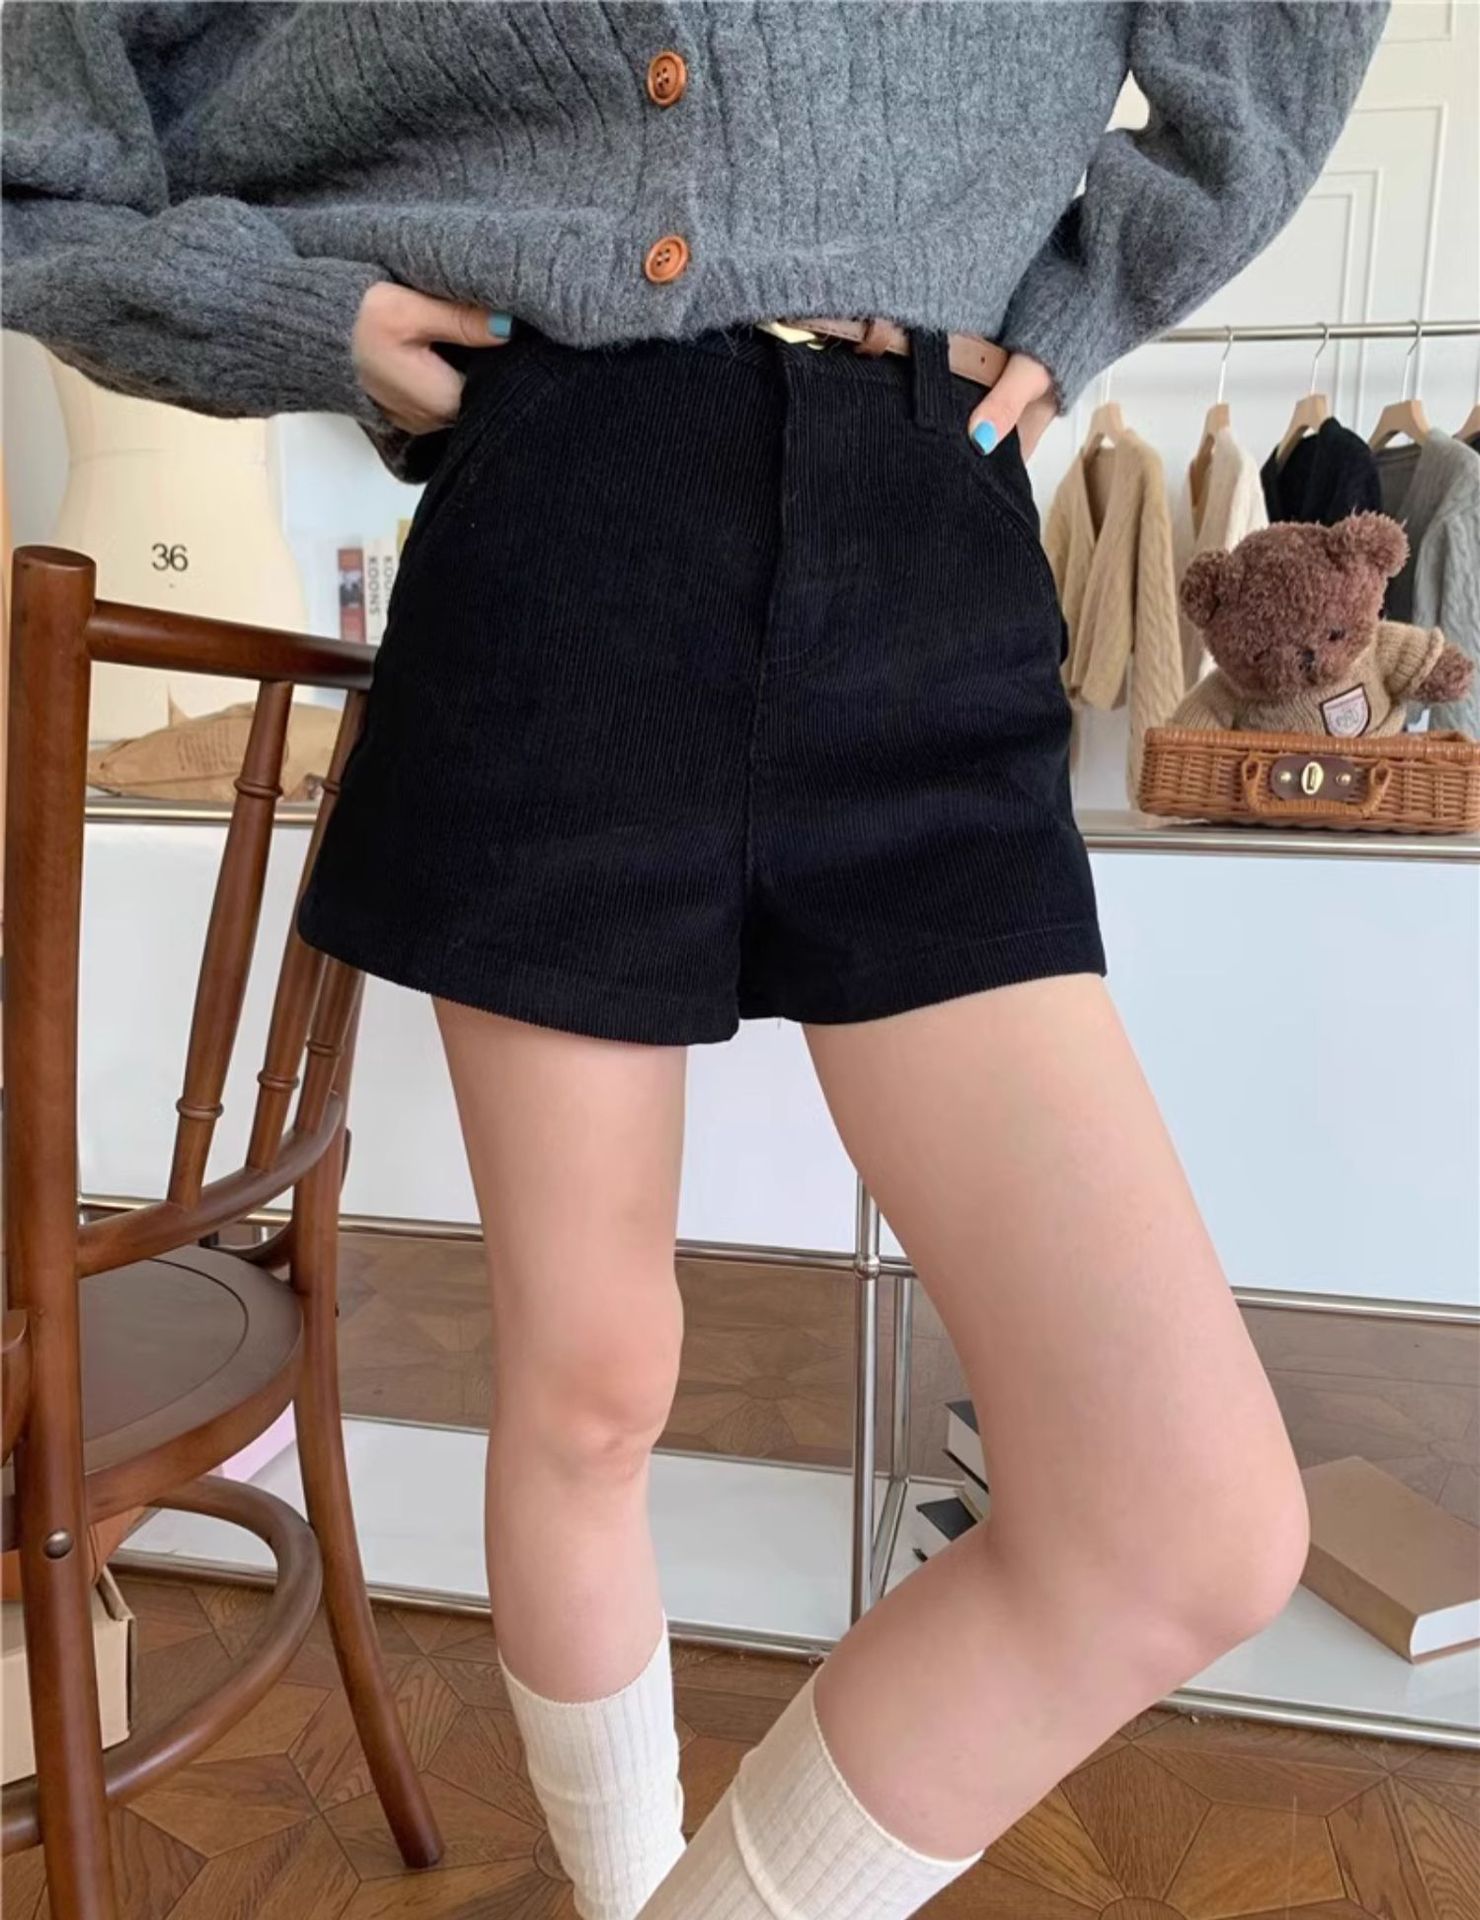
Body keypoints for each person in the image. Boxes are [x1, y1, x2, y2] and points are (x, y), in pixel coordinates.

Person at [3, 5, 1389, 1917]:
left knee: (1184, 1527)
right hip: (560, 524)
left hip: (926, 526)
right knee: (591, 1388)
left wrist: (1100, 285)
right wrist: (285, 317)